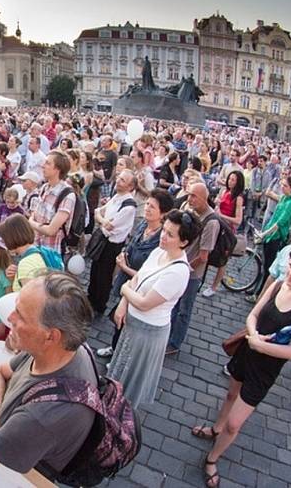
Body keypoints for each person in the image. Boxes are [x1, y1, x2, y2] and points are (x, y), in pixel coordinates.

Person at [191, 245, 291, 488]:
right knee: (230, 395)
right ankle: (215, 429)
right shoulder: (279, 284)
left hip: (265, 369)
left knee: (235, 423)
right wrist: (255, 337)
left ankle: (212, 459)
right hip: (248, 352)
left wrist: (261, 346)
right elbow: (253, 315)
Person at [0, 272, 97, 478]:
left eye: (20, 315)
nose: (9, 318)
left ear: (51, 336)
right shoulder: (63, 349)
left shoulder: (41, 417)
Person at [107, 210, 197, 406]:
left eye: (170, 234)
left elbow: (144, 303)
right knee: (117, 375)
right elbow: (138, 278)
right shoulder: (159, 251)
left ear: (184, 242)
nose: (163, 236)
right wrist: (123, 303)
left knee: (129, 388)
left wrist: (123, 290)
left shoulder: (178, 272)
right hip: (132, 324)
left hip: (147, 332)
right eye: (164, 230)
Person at [97, 189, 174, 358]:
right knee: (119, 319)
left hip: (140, 289)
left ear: (163, 213)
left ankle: (121, 356)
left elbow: (149, 274)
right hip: (126, 281)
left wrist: (124, 267)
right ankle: (115, 347)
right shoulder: (142, 226)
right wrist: (124, 253)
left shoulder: (161, 240)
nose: (146, 208)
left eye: (152, 207)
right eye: (147, 204)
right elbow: (130, 245)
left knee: (128, 324)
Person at [166, 182, 220, 355]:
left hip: (191, 273)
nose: (189, 199)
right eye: (189, 194)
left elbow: (203, 256)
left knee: (184, 310)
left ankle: (174, 343)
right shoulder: (190, 210)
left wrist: (184, 268)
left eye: (194, 196)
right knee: (173, 304)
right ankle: (168, 334)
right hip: (179, 265)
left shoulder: (211, 222)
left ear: (205, 198)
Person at [87, 169, 137, 315]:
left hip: (112, 245)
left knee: (104, 275)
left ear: (130, 187)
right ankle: (90, 298)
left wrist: (102, 220)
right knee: (94, 271)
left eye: (122, 180)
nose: (118, 181)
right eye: (119, 178)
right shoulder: (116, 197)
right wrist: (103, 220)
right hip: (103, 239)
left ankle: (99, 305)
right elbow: (98, 212)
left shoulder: (129, 206)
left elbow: (110, 227)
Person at [246, 176, 291, 300]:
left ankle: (259, 295)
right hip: (270, 236)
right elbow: (273, 218)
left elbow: (279, 223)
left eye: (285, 186)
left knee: (269, 267)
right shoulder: (283, 198)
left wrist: (265, 233)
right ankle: (256, 287)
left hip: (277, 238)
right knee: (264, 265)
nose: (282, 187)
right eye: (282, 185)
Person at [203, 170, 245, 297]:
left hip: (227, 230)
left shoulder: (238, 198)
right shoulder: (224, 191)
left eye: (233, 180)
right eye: (230, 179)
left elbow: (238, 220)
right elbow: (218, 205)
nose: (230, 182)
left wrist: (222, 216)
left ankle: (214, 287)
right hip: (217, 225)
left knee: (222, 260)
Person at [29, 151, 76, 256]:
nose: (43, 166)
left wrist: (31, 223)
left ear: (57, 169)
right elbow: (35, 214)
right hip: (36, 247)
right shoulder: (45, 187)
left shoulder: (67, 195)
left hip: (51, 253)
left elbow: (51, 230)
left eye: (48, 163)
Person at [0, 214, 47, 292]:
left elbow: (30, 300)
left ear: (11, 237)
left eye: (4, 239)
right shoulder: (38, 253)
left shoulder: (25, 264)